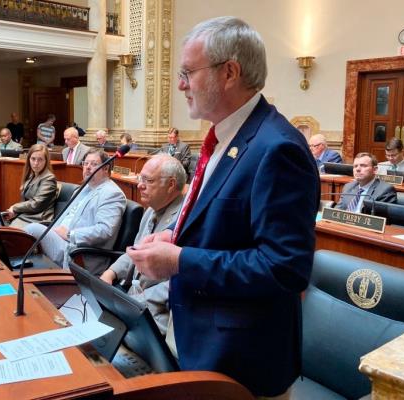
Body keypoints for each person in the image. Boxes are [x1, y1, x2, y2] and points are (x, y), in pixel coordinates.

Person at [126, 17, 320, 398]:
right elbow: (222, 226)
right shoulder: (224, 136)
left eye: (187, 73)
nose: (181, 84)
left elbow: (284, 269)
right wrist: (174, 235)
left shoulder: (278, 148)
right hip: (198, 341)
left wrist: (180, 259)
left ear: (229, 72)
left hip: (241, 365)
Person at [100, 154, 186, 335]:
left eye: (148, 180)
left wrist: (140, 300)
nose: (140, 185)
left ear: (171, 185)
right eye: (140, 178)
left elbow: (182, 279)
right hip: (132, 302)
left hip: (159, 316)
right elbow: (135, 250)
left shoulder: (185, 220)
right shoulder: (149, 211)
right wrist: (111, 272)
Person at [25, 149, 126, 276]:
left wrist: (69, 234)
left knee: (31, 229)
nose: (88, 167)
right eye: (85, 163)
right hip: (62, 240)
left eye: (93, 164)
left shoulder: (112, 193)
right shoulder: (83, 188)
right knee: (24, 234)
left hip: (77, 252)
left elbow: (105, 230)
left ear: (105, 169)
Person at [3, 144, 58, 229]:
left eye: (40, 160)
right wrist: (15, 212)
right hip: (27, 216)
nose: (36, 163)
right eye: (33, 159)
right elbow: (26, 201)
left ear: (46, 161)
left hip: (38, 220)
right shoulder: (31, 175)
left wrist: (15, 207)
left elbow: (36, 204)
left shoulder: (49, 178)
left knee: (6, 234)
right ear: (29, 159)